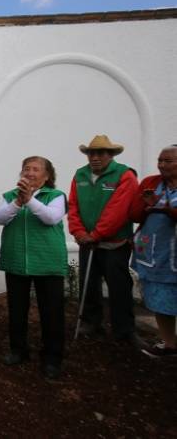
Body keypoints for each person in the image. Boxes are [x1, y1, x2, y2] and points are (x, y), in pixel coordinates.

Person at [0, 156, 67, 379]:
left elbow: (51, 218)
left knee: (51, 312)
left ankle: (52, 358)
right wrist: (18, 201)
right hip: (16, 261)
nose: (30, 173)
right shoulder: (10, 196)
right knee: (17, 309)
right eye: (26, 169)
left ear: (47, 176)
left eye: (36, 169)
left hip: (47, 261)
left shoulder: (56, 196)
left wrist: (30, 200)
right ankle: (18, 350)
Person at [68, 135, 139, 344]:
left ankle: (124, 329)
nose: (95, 157)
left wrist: (96, 234)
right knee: (88, 283)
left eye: (101, 153)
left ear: (111, 155)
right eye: (91, 153)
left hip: (114, 242)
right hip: (86, 241)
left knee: (118, 285)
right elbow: (73, 206)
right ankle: (91, 322)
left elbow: (118, 210)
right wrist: (78, 231)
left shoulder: (124, 175)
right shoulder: (80, 175)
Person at [131, 145, 177, 357]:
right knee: (160, 296)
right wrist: (147, 205)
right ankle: (169, 343)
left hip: (173, 249)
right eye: (160, 160)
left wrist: (168, 210)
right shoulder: (151, 183)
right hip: (154, 252)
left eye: (168, 161)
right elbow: (134, 213)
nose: (162, 165)